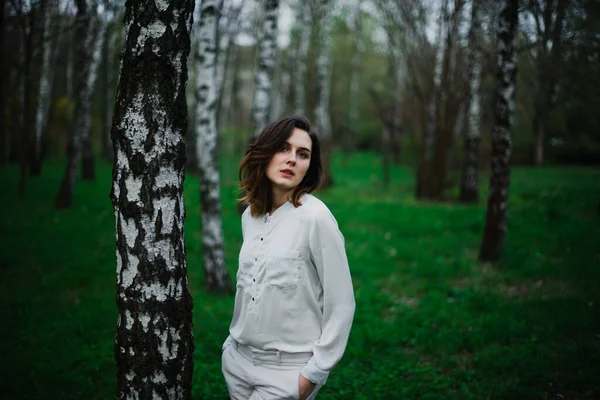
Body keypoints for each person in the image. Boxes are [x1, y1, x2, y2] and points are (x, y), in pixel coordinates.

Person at [221, 116, 356, 400]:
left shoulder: (316, 218)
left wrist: (313, 374)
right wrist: (230, 349)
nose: (292, 159)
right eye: (283, 148)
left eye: (302, 154)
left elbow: (342, 303)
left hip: (287, 373)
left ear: (309, 167)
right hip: (237, 363)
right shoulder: (250, 216)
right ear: (266, 152)